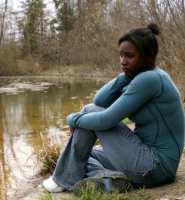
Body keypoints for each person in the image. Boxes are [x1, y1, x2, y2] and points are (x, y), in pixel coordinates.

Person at [42, 22, 184, 196]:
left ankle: (65, 180)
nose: (122, 61)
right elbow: (100, 99)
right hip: (147, 160)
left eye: (129, 56)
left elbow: (106, 119)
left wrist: (73, 119)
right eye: (121, 55)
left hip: (156, 166)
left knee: (89, 114)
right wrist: (125, 74)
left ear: (149, 55)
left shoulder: (150, 79)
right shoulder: (141, 75)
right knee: (84, 153)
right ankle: (109, 179)